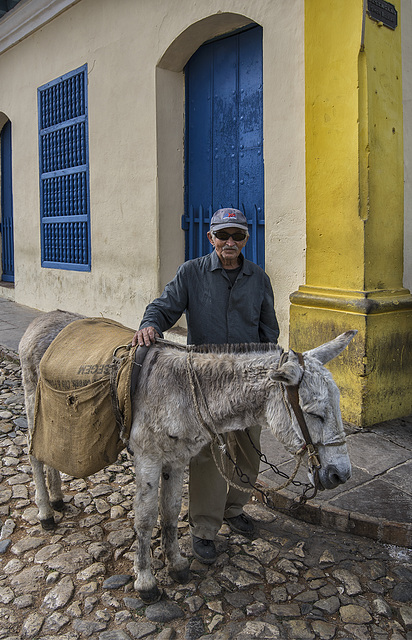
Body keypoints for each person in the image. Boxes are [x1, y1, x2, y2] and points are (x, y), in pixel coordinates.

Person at [132, 208, 279, 564]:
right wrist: (150, 324)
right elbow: (164, 307)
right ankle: (204, 528)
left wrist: (264, 369)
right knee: (209, 454)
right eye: (223, 236)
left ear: (246, 240)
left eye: (238, 236)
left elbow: (269, 329)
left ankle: (234, 508)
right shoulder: (191, 273)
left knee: (247, 448)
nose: (230, 242)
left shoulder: (258, 278)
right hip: (204, 383)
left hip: (246, 381)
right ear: (211, 238)